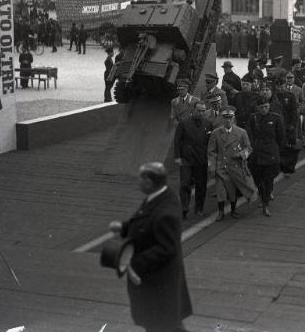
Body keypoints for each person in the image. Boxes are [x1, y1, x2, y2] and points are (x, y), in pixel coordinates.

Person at [109, 162, 192, 332]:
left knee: (159, 324)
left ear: (148, 181)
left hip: (157, 281)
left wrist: (134, 263)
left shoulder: (165, 213)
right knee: (167, 324)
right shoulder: (162, 196)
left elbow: (166, 248)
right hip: (160, 282)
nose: (137, 181)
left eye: (140, 177)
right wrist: (125, 227)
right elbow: (145, 221)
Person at [207, 106, 254, 221]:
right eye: (225, 118)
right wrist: (212, 166)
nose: (228, 120)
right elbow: (211, 151)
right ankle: (221, 212)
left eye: (230, 117)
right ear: (222, 119)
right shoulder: (216, 133)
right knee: (220, 190)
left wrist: (241, 154)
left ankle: (233, 210)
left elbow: (248, 148)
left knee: (232, 190)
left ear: (233, 118)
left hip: (235, 166)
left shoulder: (241, 132)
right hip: (221, 166)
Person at [247, 98, 286, 216]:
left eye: (266, 107)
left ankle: (265, 204)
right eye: (262, 107)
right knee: (258, 179)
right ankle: (263, 195)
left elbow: (281, 137)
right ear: (258, 108)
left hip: (270, 153)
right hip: (257, 153)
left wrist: (276, 151)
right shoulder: (253, 118)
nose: (264, 109)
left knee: (268, 180)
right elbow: (249, 135)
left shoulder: (276, 118)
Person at [173, 101, 212, 219]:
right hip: (187, 159)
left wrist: (210, 159)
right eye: (198, 110)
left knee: (201, 185)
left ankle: (199, 208)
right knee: (185, 183)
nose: (201, 113)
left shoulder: (208, 123)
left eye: (203, 111)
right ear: (193, 110)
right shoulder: (184, 123)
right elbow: (177, 141)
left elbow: (210, 142)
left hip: (201, 159)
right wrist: (178, 157)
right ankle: (184, 208)